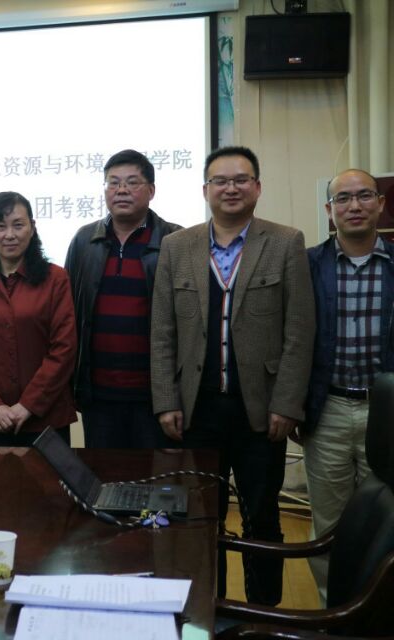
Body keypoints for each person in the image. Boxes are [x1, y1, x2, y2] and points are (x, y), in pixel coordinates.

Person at [150, 146, 315, 605]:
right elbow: (162, 331)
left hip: (262, 412)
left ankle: (264, 614)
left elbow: (299, 331)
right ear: (205, 190)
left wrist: (287, 403)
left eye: (241, 179)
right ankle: (210, 611)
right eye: (220, 181)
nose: (231, 188)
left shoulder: (285, 242)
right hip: (196, 410)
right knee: (202, 518)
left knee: (262, 516)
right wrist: (166, 401)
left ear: (257, 187)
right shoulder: (177, 246)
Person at [303, 169, 394, 603]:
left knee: (388, 522)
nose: (354, 206)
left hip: (387, 414)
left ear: (381, 204)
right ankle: (333, 611)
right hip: (329, 410)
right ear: (329, 210)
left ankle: (378, 614)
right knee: (330, 523)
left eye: (364, 196)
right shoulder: (307, 265)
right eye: (343, 198)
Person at [64, 149, 181, 447]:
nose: (122, 190)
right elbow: (69, 313)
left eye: (132, 182)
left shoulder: (175, 241)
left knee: (156, 473)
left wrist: (173, 395)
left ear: (151, 190)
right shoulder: (84, 240)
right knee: (103, 473)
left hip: (154, 396)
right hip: (98, 394)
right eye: (113, 183)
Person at [0, 191, 78, 447]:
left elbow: (64, 349)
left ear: (32, 227)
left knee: (50, 476)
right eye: (0, 226)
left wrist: (28, 405)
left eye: (18, 225)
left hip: (48, 417)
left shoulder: (55, 279)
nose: (9, 235)